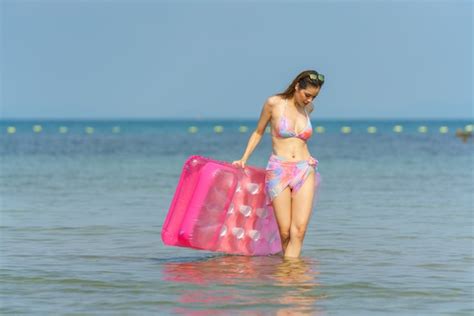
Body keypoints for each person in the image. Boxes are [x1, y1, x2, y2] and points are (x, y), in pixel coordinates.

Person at [232, 69, 324, 258]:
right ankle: (288, 275)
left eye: (314, 97)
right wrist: (244, 158)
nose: (310, 101)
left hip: (304, 169)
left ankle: (292, 277)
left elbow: (300, 140)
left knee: (298, 231)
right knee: (285, 232)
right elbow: (258, 132)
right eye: (307, 95)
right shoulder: (273, 103)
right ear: (297, 86)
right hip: (278, 170)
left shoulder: (308, 109)